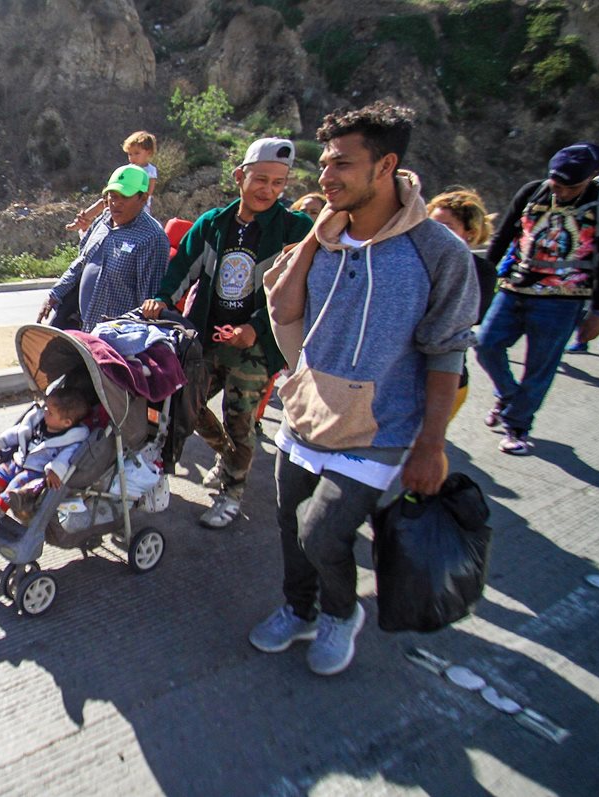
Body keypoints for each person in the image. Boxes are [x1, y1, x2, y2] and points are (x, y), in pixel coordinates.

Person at [254, 102, 479, 676]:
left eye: (342, 164)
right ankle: (298, 609)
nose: (326, 176)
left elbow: (446, 350)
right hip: (307, 413)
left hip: (379, 428)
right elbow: (285, 311)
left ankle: (339, 613)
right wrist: (314, 239)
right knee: (289, 525)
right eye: (325, 164)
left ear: (386, 166)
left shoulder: (438, 251)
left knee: (321, 534)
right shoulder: (322, 238)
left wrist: (431, 443)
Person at [140, 138, 313, 529]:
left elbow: (296, 291)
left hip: (256, 346)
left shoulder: (295, 228)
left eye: (278, 183)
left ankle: (231, 493)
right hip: (206, 338)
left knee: (240, 418)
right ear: (239, 176)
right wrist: (161, 299)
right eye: (261, 179)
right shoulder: (213, 224)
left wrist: (255, 328)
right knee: (186, 404)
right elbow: (182, 267)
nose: (268, 190)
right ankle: (227, 455)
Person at [475, 142, 599, 454]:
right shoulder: (533, 191)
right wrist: (481, 279)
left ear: (591, 177)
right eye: (557, 184)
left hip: (563, 298)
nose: (562, 192)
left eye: (571, 187)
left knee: (540, 365)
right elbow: (503, 236)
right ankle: (509, 396)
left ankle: (517, 425)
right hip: (515, 287)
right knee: (485, 344)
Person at [40, 164, 169, 331]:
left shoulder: (152, 237)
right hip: (83, 327)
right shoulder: (103, 220)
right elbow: (81, 262)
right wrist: (54, 294)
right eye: (112, 196)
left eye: (124, 197)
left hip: (116, 336)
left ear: (143, 198)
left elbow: (149, 302)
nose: (115, 203)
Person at [0, 388, 93, 522]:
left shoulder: (70, 439)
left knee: (17, 482)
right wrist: (2, 441)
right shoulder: (38, 422)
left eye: (50, 413)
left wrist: (55, 470)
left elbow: (66, 457)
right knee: (0, 472)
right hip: (20, 461)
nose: (45, 411)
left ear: (66, 422)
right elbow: (19, 431)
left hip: (36, 471)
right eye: (46, 408)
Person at [426, 188, 498, 418]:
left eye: (446, 227)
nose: (434, 234)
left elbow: (467, 318)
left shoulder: (481, 271)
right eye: (430, 225)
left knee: (425, 439)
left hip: (443, 381)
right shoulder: (413, 262)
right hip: (398, 378)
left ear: (470, 232)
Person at [67, 131, 159, 232]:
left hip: (137, 206)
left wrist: (130, 197)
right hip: (122, 199)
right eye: (130, 154)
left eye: (137, 153)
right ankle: (81, 221)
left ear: (148, 152)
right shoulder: (127, 170)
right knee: (102, 203)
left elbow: (148, 192)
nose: (132, 157)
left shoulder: (149, 171)